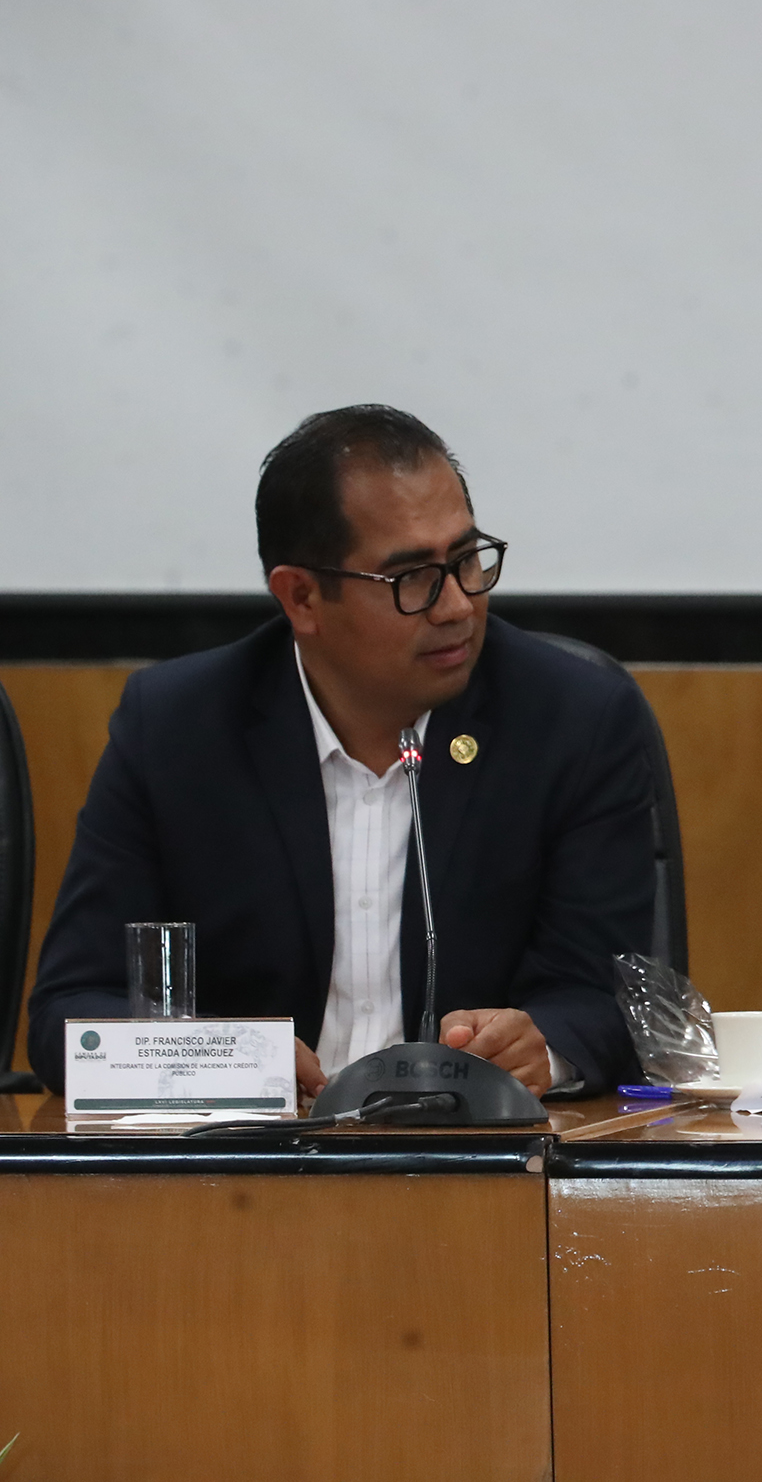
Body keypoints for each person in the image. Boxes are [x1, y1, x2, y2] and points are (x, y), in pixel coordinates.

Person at [29, 406, 654, 1095]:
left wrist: (543, 1046)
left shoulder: (573, 719)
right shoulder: (177, 729)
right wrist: (229, 1063)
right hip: (250, 1150)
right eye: (412, 577)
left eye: (467, 559)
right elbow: (72, 1009)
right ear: (301, 597)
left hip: (479, 1150)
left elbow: (606, 997)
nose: (456, 605)